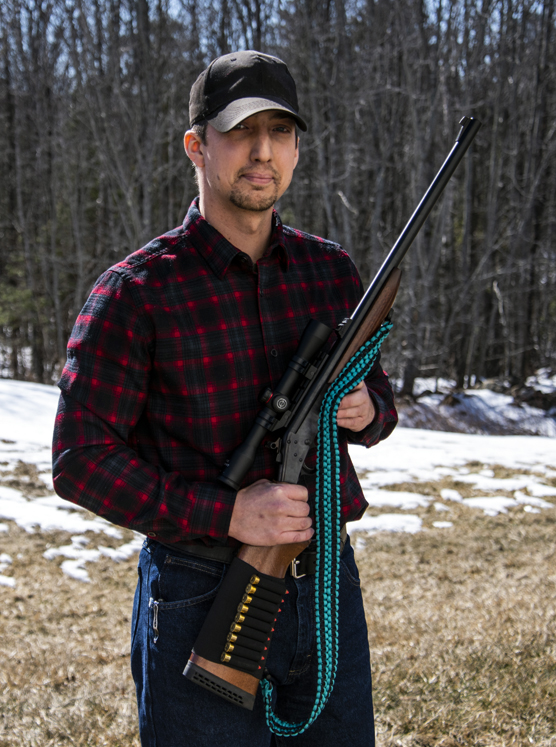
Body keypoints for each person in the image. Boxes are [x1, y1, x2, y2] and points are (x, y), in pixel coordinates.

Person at [52, 50, 397, 746]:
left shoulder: (330, 271)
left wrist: (367, 411)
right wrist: (228, 509)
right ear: (197, 145)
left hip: (327, 583)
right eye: (241, 131)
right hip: (196, 589)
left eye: (280, 131)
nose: (262, 151)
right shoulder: (137, 291)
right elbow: (79, 460)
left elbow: (379, 398)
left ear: (297, 147)